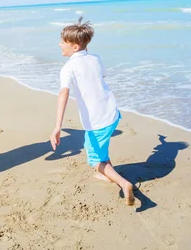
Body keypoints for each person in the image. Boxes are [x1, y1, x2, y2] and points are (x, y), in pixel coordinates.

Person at [50, 17, 135, 206]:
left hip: (96, 120)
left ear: (75, 46)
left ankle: (124, 183)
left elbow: (63, 94)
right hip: (112, 113)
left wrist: (57, 126)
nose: (59, 45)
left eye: (63, 42)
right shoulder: (96, 58)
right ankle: (107, 175)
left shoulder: (68, 68)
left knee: (94, 159)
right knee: (100, 148)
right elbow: (101, 77)